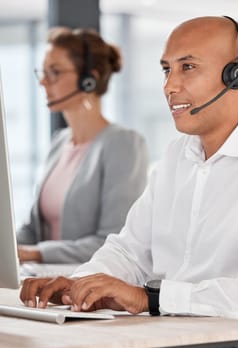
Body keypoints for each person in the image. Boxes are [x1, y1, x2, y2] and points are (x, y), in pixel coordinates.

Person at [20, 16, 238, 346]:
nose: (169, 86)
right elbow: (130, 251)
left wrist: (153, 299)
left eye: (188, 67)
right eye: (166, 69)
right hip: (174, 339)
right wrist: (79, 285)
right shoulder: (176, 157)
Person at [17, 27, 149, 264]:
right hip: (41, 280)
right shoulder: (59, 142)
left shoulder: (124, 144)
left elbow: (113, 241)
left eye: (54, 72)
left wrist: (35, 254)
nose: (43, 82)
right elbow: (32, 230)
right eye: (43, 72)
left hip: (87, 286)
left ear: (90, 80)